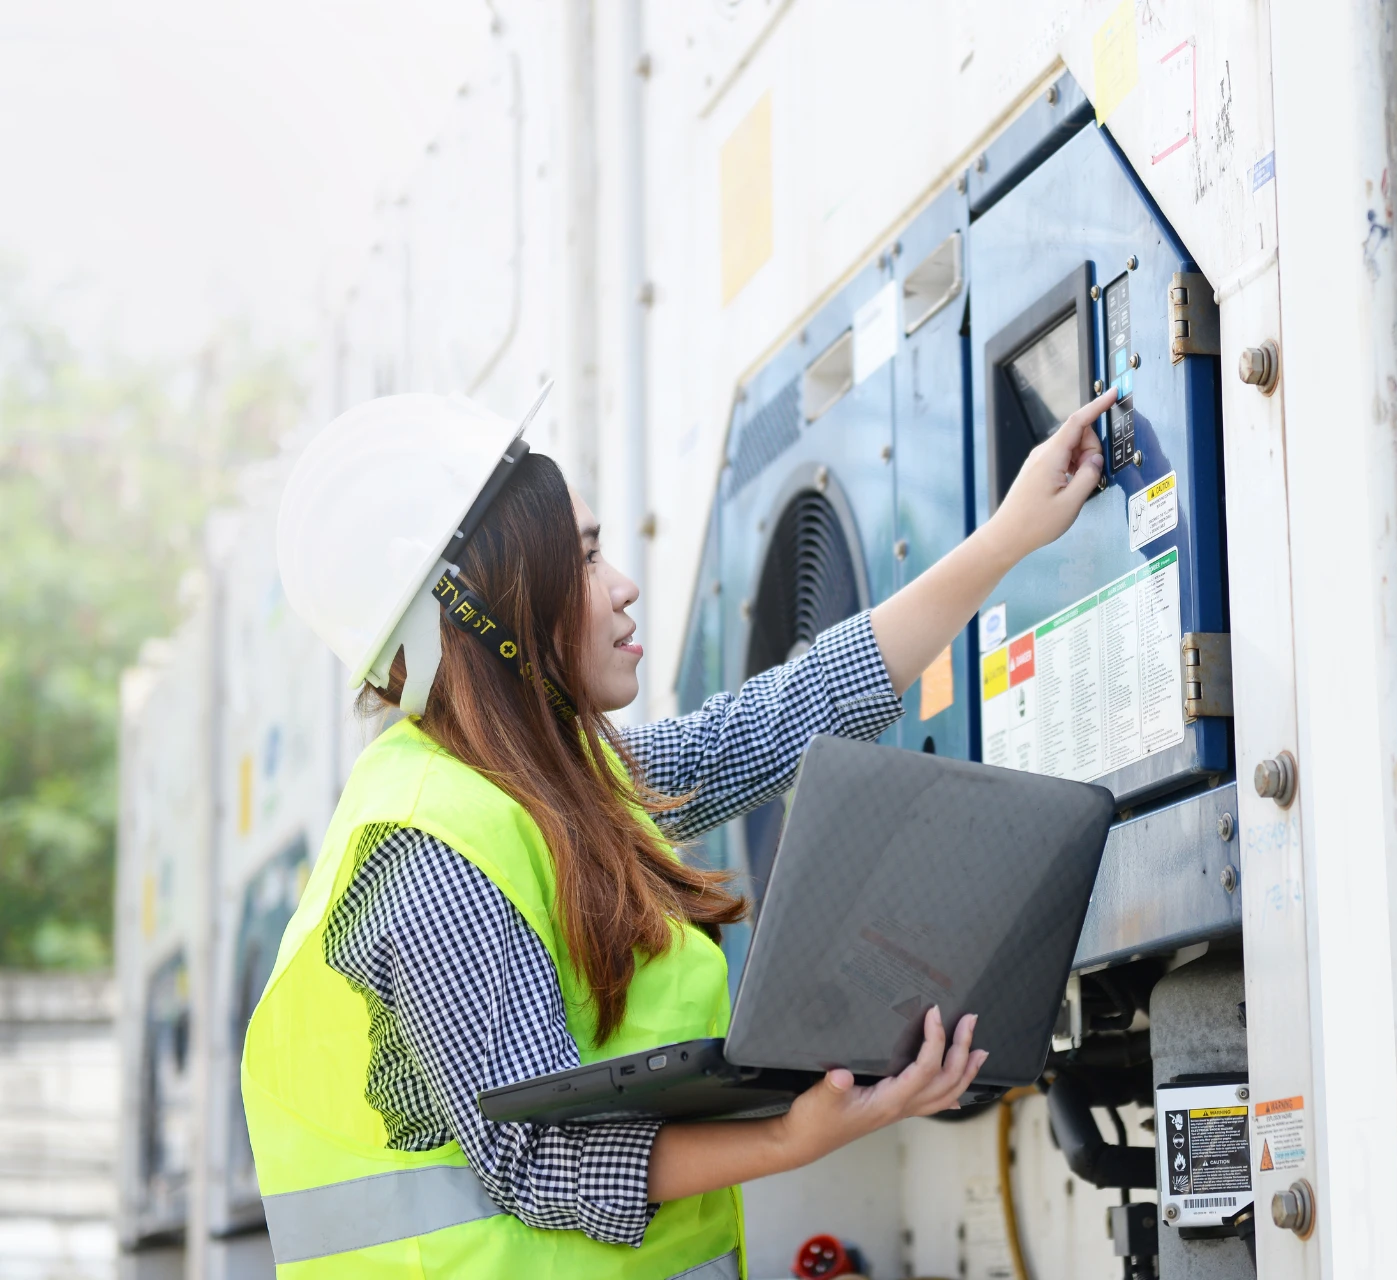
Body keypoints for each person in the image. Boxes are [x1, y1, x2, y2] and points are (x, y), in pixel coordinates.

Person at [241, 383, 1120, 1278]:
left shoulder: (559, 788)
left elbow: (778, 720)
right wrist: (790, 1137)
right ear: (486, 611)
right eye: (583, 562)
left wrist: (1010, 535)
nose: (621, 589)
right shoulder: (433, 848)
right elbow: (539, 1160)